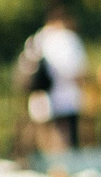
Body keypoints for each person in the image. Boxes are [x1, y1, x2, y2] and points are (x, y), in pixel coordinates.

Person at [23, 8, 87, 151]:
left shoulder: (37, 38)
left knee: (46, 145)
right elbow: (78, 72)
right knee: (65, 145)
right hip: (67, 101)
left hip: (41, 101)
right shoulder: (69, 39)